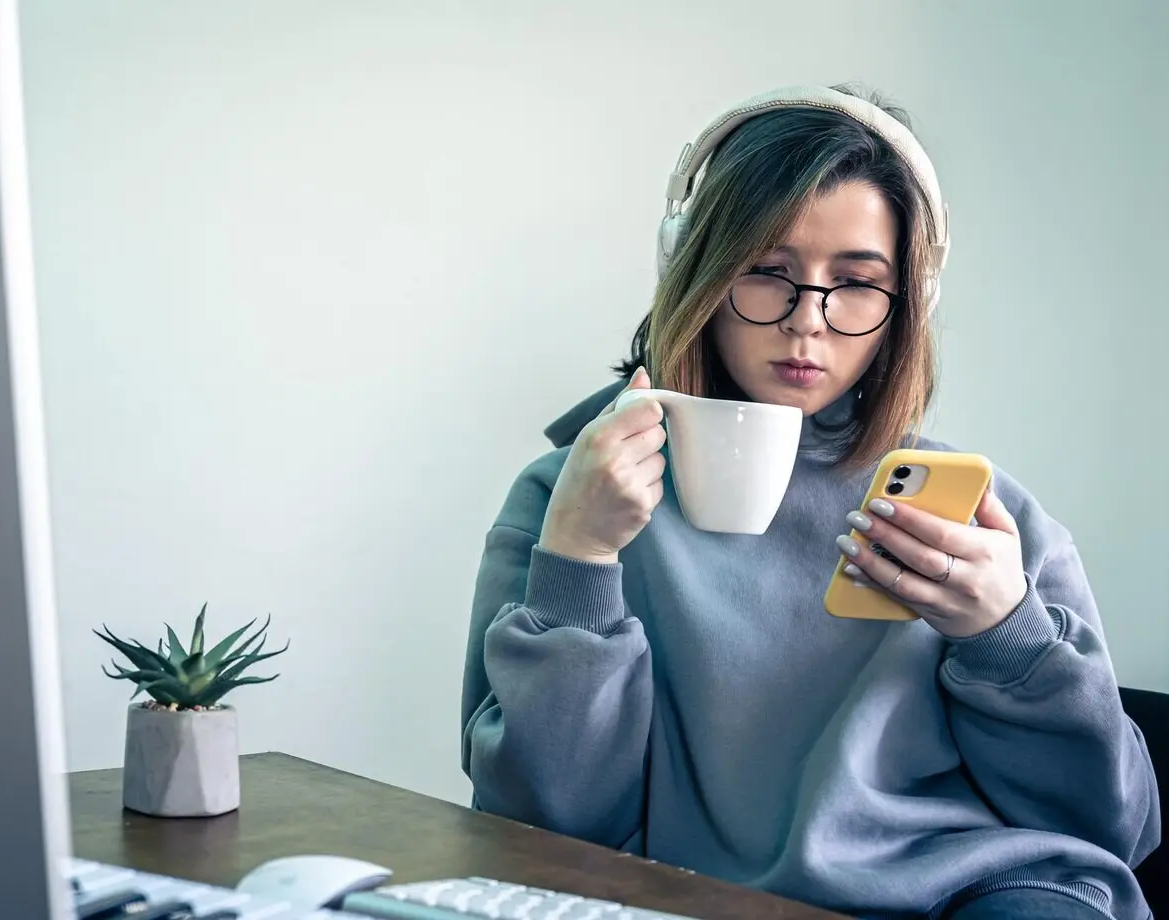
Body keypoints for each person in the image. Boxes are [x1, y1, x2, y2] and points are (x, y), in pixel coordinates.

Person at [460, 84, 1159, 920]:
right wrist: (579, 563)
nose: (807, 323)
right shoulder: (570, 498)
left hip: (976, 892)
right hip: (689, 895)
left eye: (856, 283)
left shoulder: (985, 517)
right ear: (701, 274)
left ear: (908, 306)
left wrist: (1006, 635)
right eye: (768, 273)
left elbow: (1113, 825)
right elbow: (543, 828)